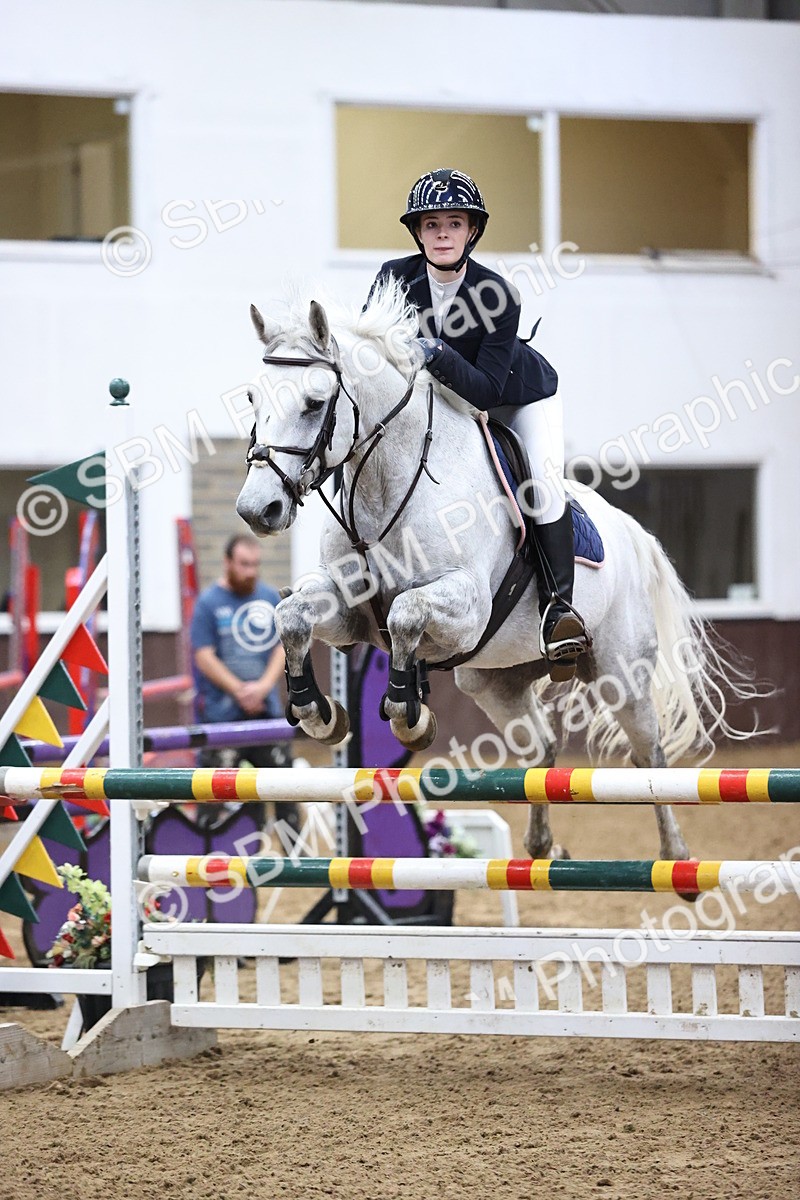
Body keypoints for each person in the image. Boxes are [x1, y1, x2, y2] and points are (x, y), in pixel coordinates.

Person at [366, 166, 589, 680]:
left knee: (541, 485)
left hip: (515, 397)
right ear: (417, 232)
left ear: (472, 231)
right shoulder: (392, 279)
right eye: (431, 224)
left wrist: (433, 350)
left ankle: (559, 610)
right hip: (443, 401)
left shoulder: (499, 295)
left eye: (454, 222)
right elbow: (374, 359)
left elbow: (486, 392)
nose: (442, 233)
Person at [190, 533, 301, 834]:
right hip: (222, 718)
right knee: (212, 796)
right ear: (227, 563)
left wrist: (263, 687)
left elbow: (282, 647)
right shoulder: (208, 604)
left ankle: (298, 861)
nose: (250, 571)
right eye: (243, 564)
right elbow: (204, 656)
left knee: (286, 793)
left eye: (255, 564)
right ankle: (206, 857)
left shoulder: (268, 599)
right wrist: (239, 690)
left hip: (266, 715)